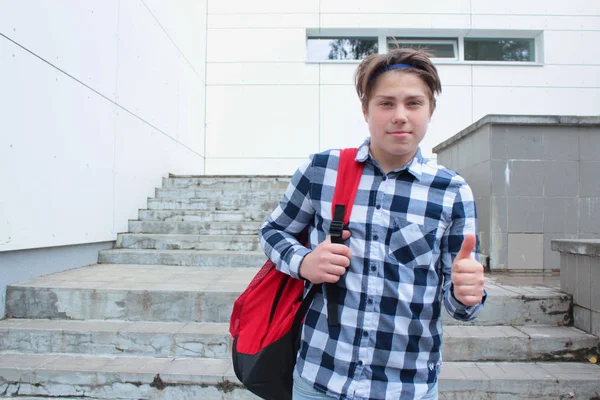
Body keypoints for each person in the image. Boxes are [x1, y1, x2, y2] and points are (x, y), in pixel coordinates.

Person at [259, 48, 486, 400]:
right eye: (386, 104)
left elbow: (460, 306)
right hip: (320, 379)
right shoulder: (323, 170)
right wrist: (304, 262)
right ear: (365, 110)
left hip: (407, 387)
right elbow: (274, 231)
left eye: (413, 103)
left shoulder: (452, 192)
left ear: (430, 110)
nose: (400, 116)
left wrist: (466, 293)